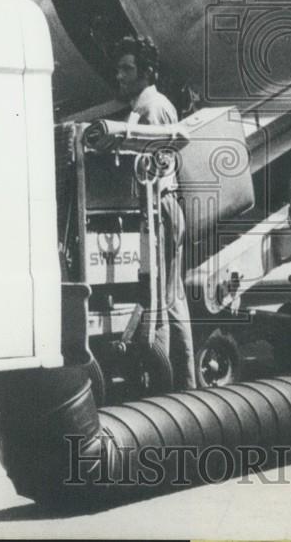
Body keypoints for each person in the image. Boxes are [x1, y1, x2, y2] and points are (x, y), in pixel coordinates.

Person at [109, 30, 196, 390]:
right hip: (155, 208)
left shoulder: (153, 108)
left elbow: (159, 164)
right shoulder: (142, 107)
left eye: (127, 69)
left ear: (146, 73)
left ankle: (173, 383)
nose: (120, 76)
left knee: (163, 295)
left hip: (160, 206)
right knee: (169, 297)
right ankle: (183, 383)